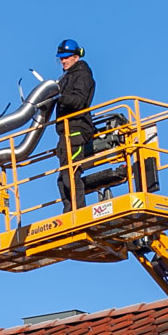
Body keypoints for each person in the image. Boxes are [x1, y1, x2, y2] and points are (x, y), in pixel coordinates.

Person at [53, 39, 96, 210]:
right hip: (66, 132)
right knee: (63, 178)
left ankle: (78, 213)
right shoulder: (66, 78)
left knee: (71, 173)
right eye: (61, 58)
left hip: (77, 130)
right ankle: (69, 212)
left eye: (66, 57)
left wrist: (59, 97)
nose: (63, 61)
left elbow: (79, 100)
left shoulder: (82, 75)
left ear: (76, 57)